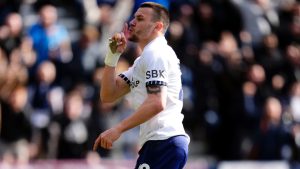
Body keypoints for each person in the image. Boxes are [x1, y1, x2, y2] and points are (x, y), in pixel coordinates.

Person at [93, 2, 189, 169]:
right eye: (133, 17)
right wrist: (112, 56)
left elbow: (157, 102)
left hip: (164, 141)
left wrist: (118, 128)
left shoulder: (156, 53)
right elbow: (108, 95)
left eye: (140, 18)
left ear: (157, 26)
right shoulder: (142, 61)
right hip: (159, 143)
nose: (132, 22)